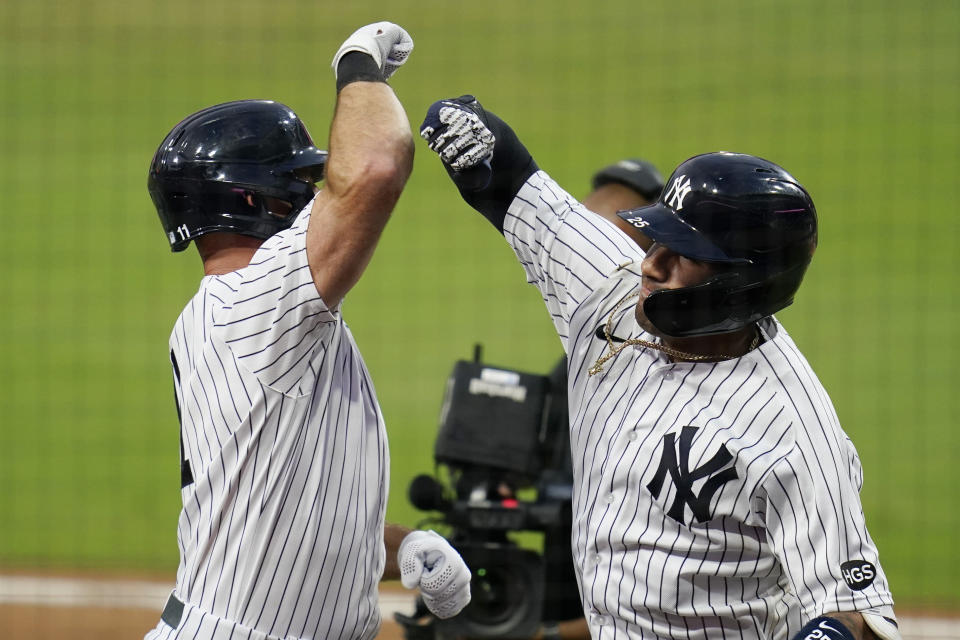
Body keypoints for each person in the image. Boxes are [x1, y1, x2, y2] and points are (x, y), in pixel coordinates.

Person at [418, 95, 901, 640]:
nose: (650, 263)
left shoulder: (790, 429)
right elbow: (524, 196)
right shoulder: (610, 292)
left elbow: (853, 613)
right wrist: (475, 138)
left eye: (680, 254)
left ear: (741, 281)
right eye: (658, 238)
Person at [142, 23, 471, 640]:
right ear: (253, 199)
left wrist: (399, 546)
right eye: (300, 183)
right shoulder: (255, 303)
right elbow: (373, 169)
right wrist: (355, 67)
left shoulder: (260, 315)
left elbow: (282, 504)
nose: (314, 194)